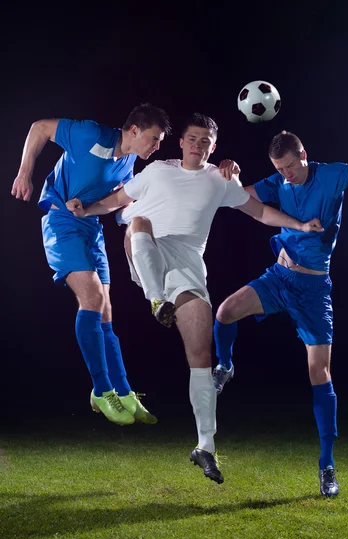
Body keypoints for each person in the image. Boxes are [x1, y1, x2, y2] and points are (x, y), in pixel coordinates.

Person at [66, 114, 323, 484]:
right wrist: (87, 209)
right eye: (192, 139)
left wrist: (299, 225)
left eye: (206, 141)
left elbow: (260, 211)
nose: (198, 145)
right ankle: (157, 300)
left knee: (201, 356)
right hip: (148, 248)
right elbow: (119, 199)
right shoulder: (156, 171)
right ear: (181, 142)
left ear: (213, 147)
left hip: (188, 264)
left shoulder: (220, 180)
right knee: (138, 223)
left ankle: (205, 447)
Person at [212, 131, 348, 497]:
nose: (286, 174)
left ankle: (327, 466)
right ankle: (225, 365)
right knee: (225, 311)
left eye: (290, 166)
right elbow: (238, 197)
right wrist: (226, 174)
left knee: (319, 372)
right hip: (279, 278)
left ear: (303, 154)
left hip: (314, 291)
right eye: (279, 169)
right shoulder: (276, 182)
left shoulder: (331, 175)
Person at [11, 103, 172, 426]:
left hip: (90, 228)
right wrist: (24, 172)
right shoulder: (89, 133)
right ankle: (100, 390)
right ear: (134, 131)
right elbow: (39, 126)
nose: (156, 147)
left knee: (106, 309)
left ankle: (124, 391)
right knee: (92, 299)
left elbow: (116, 203)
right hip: (61, 221)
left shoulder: (128, 163)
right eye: (154, 139)